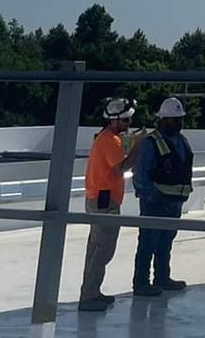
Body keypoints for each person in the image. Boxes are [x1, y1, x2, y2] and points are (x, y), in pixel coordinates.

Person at [78, 95, 139, 312]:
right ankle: (89, 296)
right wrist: (137, 148)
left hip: (98, 199)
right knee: (103, 250)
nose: (128, 124)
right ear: (113, 121)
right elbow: (120, 169)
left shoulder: (104, 138)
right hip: (105, 202)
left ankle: (91, 291)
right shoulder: (110, 141)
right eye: (125, 121)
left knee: (95, 248)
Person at [131, 95, 195, 297]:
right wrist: (153, 197)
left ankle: (162, 277)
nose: (178, 123)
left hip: (174, 203)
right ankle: (141, 282)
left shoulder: (181, 141)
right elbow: (140, 174)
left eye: (179, 120)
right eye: (174, 120)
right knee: (148, 243)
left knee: (165, 242)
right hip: (156, 204)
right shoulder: (152, 142)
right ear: (163, 120)